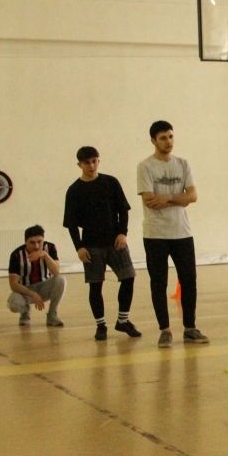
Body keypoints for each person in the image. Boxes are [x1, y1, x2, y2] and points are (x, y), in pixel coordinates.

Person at [137, 121, 209, 348]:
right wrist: (180, 197)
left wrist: (167, 197)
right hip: (155, 233)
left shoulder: (183, 164)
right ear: (153, 141)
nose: (168, 142)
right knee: (158, 283)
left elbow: (193, 196)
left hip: (182, 232)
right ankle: (165, 330)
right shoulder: (145, 167)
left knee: (189, 280)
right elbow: (150, 200)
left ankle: (190, 327)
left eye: (170, 137)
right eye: (163, 138)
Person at [64, 146, 141, 341]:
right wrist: (79, 247)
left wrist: (123, 233)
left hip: (115, 242)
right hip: (91, 246)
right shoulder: (74, 190)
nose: (91, 165)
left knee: (128, 277)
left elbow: (123, 210)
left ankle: (123, 320)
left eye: (94, 161)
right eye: (87, 162)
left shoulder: (110, 182)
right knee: (95, 285)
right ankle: (100, 325)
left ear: (99, 161)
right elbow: (71, 224)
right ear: (79, 164)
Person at [7, 225, 66, 327]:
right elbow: (13, 284)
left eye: (39, 241)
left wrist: (45, 255)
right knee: (13, 303)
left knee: (61, 279)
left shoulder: (50, 247)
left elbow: (56, 271)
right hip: (26, 289)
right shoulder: (16, 255)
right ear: (25, 242)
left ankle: (52, 315)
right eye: (32, 242)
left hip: (45, 286)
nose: (37, 246)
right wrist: (32, 294)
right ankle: (25, 312)